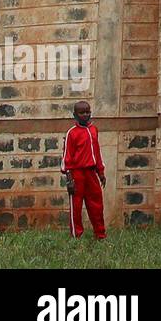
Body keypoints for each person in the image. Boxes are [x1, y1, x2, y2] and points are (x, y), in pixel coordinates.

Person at [62, 100, 106, 240]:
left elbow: (97, 153)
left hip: (91, 172)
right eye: (81, 112)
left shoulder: (94, 130)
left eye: (87, 112)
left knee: (97, 204)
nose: (85, 115)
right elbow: (67, 156)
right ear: (75, 114)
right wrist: (69, 179)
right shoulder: (72, 133)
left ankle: (100, 234)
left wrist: (101, 172)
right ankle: (76, 236)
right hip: (77, 173)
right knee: (76, 206)